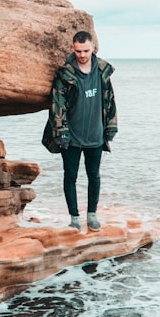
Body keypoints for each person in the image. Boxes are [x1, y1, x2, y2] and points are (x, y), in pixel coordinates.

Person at [41, 30, 117, 231]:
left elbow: (110, 100)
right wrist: (61, 132)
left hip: (95, 135)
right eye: (78, 51)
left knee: (94, 176)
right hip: (71, 137)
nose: (82, 55)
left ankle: (92, 215)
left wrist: (110, 127)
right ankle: (74, 217)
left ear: (93, 48)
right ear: (73, 49)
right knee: (70, 176)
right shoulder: (65, 73)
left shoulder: (102, 71)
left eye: (85, 50)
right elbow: (57, 104)